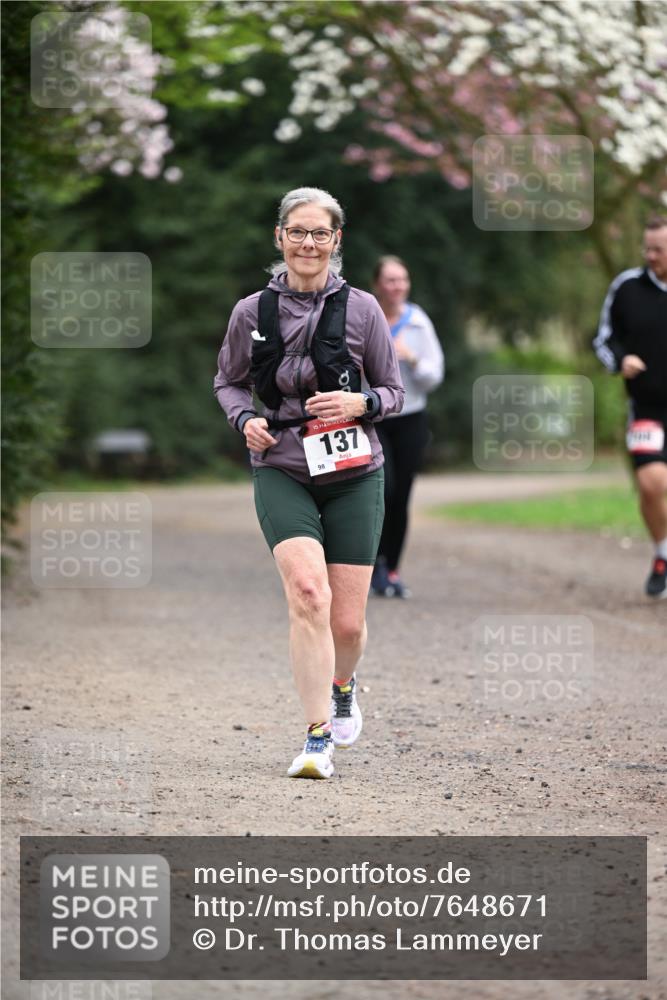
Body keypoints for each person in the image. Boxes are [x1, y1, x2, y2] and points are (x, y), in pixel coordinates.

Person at [213, 187, 404, 778]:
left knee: (347, 622)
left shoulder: (365, 310)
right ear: (280, 237)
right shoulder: (251, 312)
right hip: (283, 468)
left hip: (352, 473)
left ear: (336, 241)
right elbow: (228, 382)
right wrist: (246, 420)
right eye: (297, 231)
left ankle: (343, 684)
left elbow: (394, 394)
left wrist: (360, 401)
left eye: (320, 233)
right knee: (308, 596)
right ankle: (317, 735)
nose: (308, 243)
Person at [593, 217, 667, 598]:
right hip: (648, 407)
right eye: (647, 248)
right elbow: (603, 339)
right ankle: (662, 553)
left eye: (658, 249)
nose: (649, 256)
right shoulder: (626, 287)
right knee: (652, 483)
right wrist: (619, 362)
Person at [370, 256, 444, 598]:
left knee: (400, 498)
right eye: (391, 280)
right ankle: (371, 564)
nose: (398, 286)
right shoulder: (366, 318)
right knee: (381, 493)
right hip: (373, 419)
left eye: (403, 279)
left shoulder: (418, 323)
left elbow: (434, 377)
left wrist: (411, 358)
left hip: (411, 417)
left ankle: (392, 569)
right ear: (377, 285)